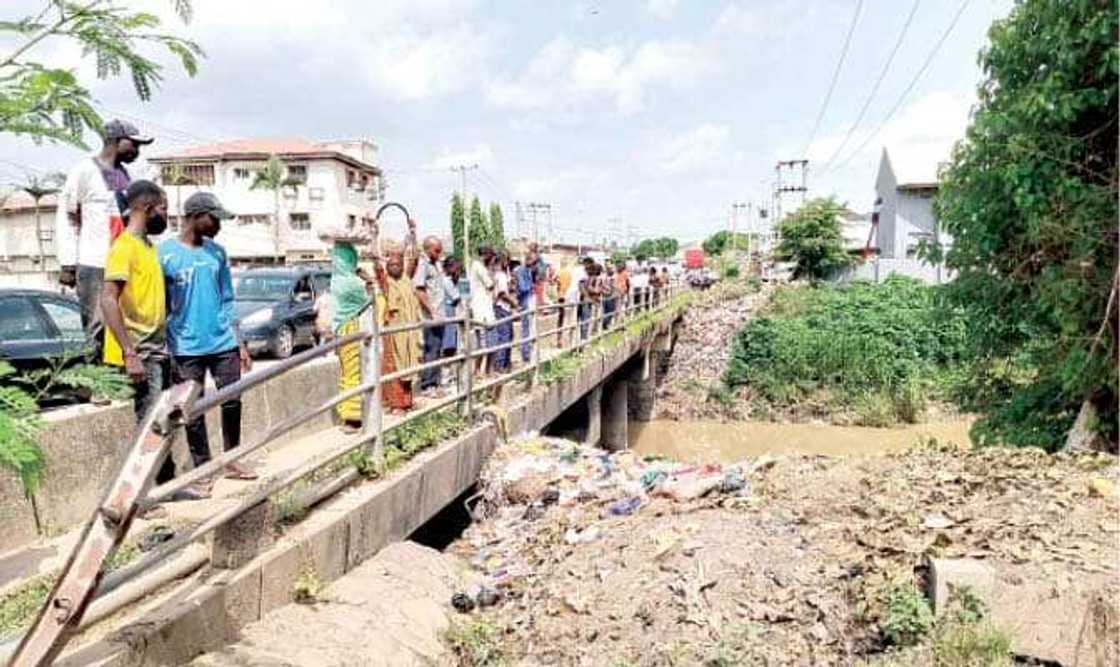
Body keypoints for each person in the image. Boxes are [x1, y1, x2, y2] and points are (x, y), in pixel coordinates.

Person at [159, 192, 256, 486]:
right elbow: (160, 304)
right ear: (196, 216)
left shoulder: (217, 253)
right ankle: (202, 467)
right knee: (193, 410)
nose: (218, 226)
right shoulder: (164, 254)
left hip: (223, 341)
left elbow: (227, 299)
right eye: (214, 219)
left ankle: (232, 457)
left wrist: (239, 342)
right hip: (186, 346)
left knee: (232, 400)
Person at [99, 180, 171, 514]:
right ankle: (138, 499)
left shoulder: (149, 248)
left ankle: (159, 489)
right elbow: (108, 299)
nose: (165, 215)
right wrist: (129, 352)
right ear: (145, 207)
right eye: (162, 208)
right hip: (139, 352)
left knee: (159, 421)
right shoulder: (124, 247)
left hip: (156, 350)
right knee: (148, 427)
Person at [57, 120, 153, 339]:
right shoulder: (84, 171)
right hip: (95, 263)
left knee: (124, 324)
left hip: (123, 261)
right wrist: (68, 264)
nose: (137, 151)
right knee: (98, 325)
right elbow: (68, 217)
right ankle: (98, 371)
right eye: (133, 144)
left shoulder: (126, 176)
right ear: (115, 141)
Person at [327, 226, 374, 431]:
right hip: (350, 327)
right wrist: (369, 280)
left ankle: (348, 413)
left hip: (339, 327)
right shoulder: (352, 284)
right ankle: (352, 418)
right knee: (353, 373)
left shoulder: (337, 279)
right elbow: (372, 297)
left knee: (346, 373)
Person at [413, 235, 446, 394]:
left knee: (437, 348)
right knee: (431, 349)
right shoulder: (423, 265)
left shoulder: (436, 264)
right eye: (436, 250)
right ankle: (428, 384)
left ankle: (435, 381)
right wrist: (431, 310)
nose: (439, 254)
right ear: (428, 249)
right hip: (430, 316)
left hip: (440, 314)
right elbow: (419, 290)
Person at [468, 246, 497, 375]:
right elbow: (490, 284)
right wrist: (492, 268)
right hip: (481, 309)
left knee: (489, 342)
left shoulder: (479, 266)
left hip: (486, 309)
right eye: (491, 256)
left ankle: (483, 370)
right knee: (485, 343)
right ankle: (479, 370)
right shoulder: (478, 266)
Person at [490, 252, 518, 373]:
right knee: (504, 337)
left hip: (503, 308)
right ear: (503, 261)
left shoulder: (501, 275)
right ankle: (500, 365)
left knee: (508, 336)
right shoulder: (500, 276)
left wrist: (511, 286)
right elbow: (502, 294)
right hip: (502, 308)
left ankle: (505, 363)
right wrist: (514, 303)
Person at [514, 249, 538, 363]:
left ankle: (530, 352)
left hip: (530, 300)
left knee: (531, 328)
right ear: (528, 260)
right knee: (526, 329)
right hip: (525, 301)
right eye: (534, 262)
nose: (535, 265)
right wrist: (532, 286)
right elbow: (523, 287)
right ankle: (526, 354)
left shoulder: (528, 270)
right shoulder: (521, 271)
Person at [440, 258, 463, 362]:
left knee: (452, 334)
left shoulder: (449, 280)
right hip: (448, 309)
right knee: (449, 335)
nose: (457, 271)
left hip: (451, 309)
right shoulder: (446, 281)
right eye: (456, 268)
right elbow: (456, 297)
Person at [602, 264, 617, 330]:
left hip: (611, 297)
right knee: (606, 311)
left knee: (610, 311)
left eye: (612, 268)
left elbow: (614, 287)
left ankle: (606, 324)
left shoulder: (614, 277)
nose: (611, 270)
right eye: (610, 269)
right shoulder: (604, 277)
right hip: (605, 296)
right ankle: (605, 324)